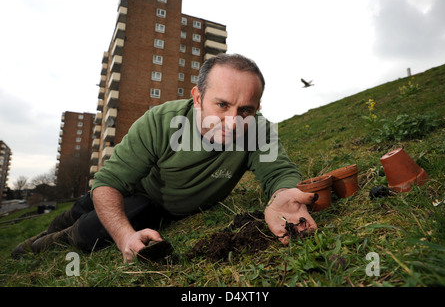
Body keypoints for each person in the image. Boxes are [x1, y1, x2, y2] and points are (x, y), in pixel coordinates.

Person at [12, 54, 318, 262]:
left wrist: (284, 195)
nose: (234, 120)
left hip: (157, 206)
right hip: (132, 187)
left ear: (257, 107)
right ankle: (52, 227)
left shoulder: (258, 130)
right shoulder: (161, 120)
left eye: (246, 110)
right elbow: (109, 181)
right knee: (88, 204)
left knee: (92, 230)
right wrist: (124, 234)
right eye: (222, 104)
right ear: (198, 98)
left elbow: (278, 174)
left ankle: (44, 243)